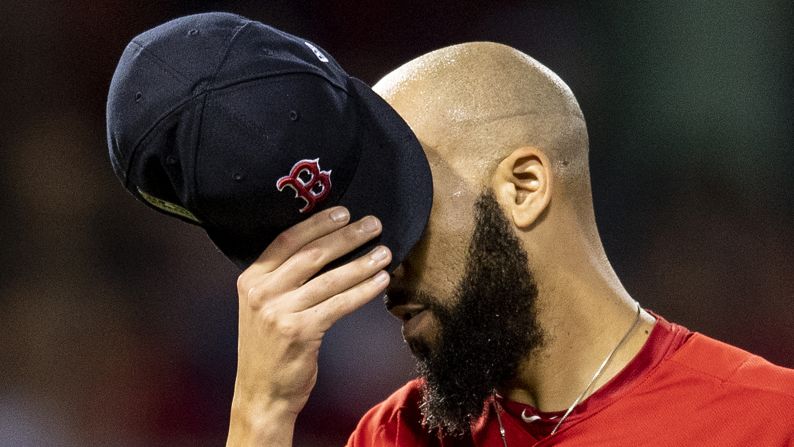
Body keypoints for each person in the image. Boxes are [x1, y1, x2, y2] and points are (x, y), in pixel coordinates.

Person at [224, 41, 794, 446]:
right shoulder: (395, 436)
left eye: (405, 209)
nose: (384, 256)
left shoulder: (770, 423)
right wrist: (261, 416)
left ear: (524, 187)